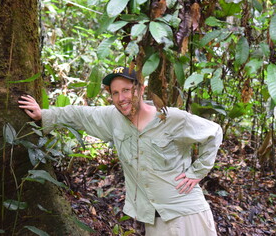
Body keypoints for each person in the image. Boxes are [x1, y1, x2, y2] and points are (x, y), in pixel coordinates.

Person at [18, 66, 223, 236]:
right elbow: (79, 114)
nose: (121, 98)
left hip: (187, 214)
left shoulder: (170, 118)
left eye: (126, 90)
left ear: (140, 90)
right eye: (115, 93)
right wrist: (43, 114)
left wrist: (196, 173)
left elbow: (214, 132)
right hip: (154, 220)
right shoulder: (112, 118)